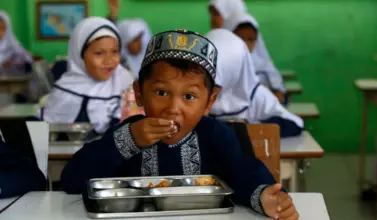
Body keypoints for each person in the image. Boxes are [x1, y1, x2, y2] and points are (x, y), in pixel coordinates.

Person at [61, 30, 299, 219]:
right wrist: (128, 141)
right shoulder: (129, 133)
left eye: (189, 97)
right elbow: (72, 180)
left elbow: (244, 173)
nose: (173, 108)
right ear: (139, 93)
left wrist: (266, 195)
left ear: (210, 101)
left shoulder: (216, 135)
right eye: (161, 92)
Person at [39, 17, 134, 135]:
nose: (109, 61)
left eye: (115, 51)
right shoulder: (65, 90)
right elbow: (45, 136)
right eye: (99, 53)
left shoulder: (126, 83)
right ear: (80, 56)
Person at [206, 29, 303, 137]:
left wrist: (251, 127)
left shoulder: (255, 95)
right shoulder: (195, 93)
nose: (210, 87)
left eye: (216, 81)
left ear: (233, 70)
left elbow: (296, 124)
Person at [224, 12, 287, 103]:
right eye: (241, 38)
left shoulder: (263, 65)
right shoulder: (222, 65)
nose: (246, 44)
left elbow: (278, 93)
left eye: (251, 39)